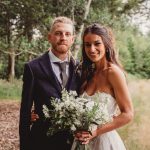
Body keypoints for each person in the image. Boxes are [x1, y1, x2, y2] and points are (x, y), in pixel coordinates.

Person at [19, 16, 81, 150]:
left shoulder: (79, 68)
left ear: (72, 39)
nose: (63, 37)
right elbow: (25, 112)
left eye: (67, 34)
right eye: (58, 33)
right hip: (41, 141)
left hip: (72, 142)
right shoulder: (33, 67)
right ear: (50, 37)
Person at [72, 23, 134, 150]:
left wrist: (95, 132)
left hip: (104, 142)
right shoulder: (87, 73)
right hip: (82, 142)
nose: (92, 49)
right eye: (87, 45)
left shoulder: (113, 73)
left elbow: (128, 114)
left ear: (106, 44)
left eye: (97, 43)